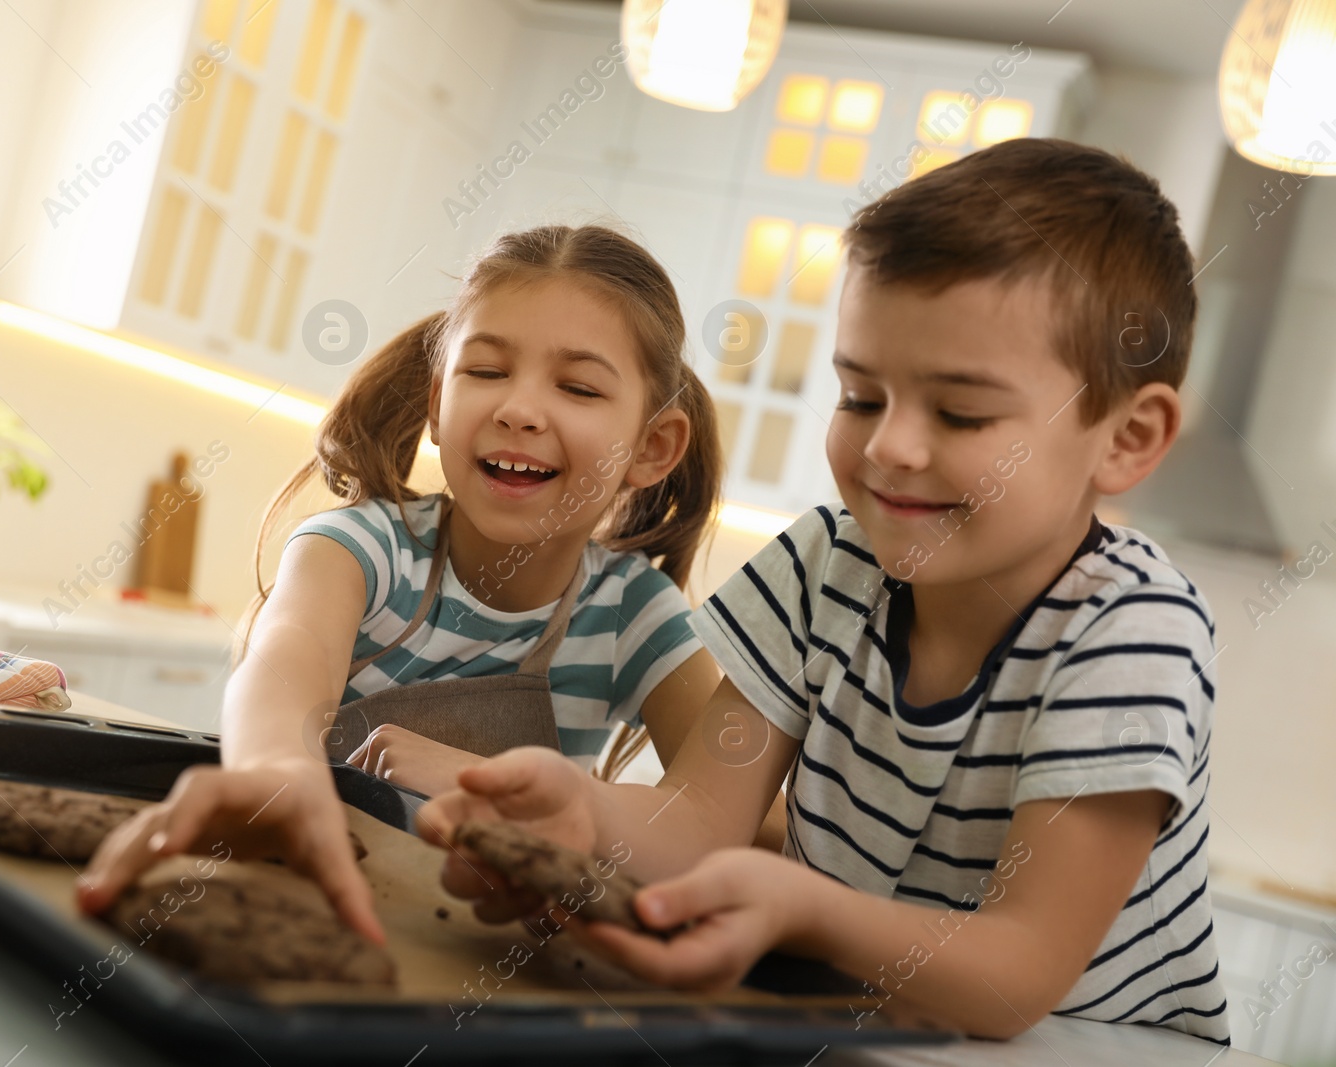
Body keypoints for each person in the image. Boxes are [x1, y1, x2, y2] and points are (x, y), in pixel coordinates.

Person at [419, 139, 1231, 1045]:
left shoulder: (1131, 631)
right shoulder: (824, 563)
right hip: (873, 1029)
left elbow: (1018, 975)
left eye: (959, 412)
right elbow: (697, 821)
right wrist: (583, 811)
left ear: (1126, 438)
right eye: (860, 397)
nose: (890, 447)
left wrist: (802, 907)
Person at [77, 224, 740, 944]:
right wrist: (278, 772)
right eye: (485, 371)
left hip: (483, 953)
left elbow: (742, 821)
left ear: (652, 447)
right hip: (303, 907)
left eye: (577, 386)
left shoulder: (632, 614)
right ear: (435, 404)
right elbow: (285, 665)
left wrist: (487, 780)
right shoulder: (361, 550)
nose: (517, 408)